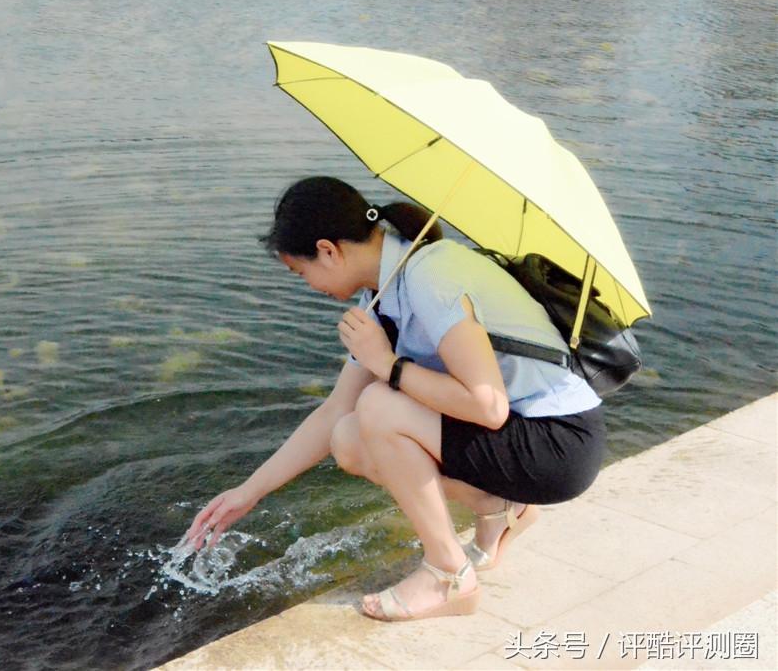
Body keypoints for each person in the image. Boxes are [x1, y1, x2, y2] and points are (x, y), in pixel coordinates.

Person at [182, 176, 605, 622]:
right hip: (520, 434)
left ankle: (448, 574)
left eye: (300, 271)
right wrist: (249, 493)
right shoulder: (382, 296)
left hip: (559, 442)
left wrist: (386, 365)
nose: (307, 285)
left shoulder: (431, 276)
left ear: (328, 250)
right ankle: (499, 507)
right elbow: (334, 412)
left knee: (379, 406)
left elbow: (488, 406)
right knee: (349, 437)